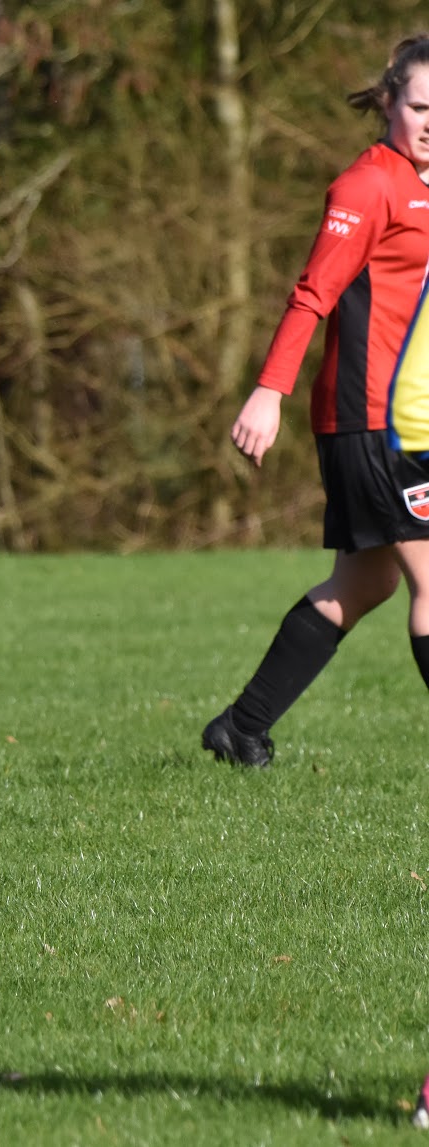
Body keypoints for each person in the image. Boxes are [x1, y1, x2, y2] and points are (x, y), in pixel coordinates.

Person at [203, 35, 429, 770]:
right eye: (421, 107)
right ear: (390, 101)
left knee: (364, 582)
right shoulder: (367, 186)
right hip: (372, 418)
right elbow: (312, 295)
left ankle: (242, 726)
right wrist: (268, 391)